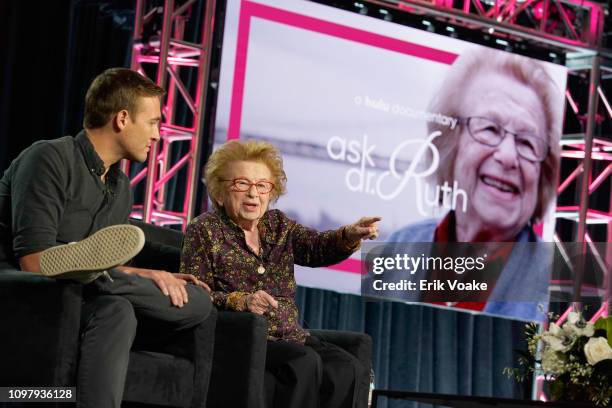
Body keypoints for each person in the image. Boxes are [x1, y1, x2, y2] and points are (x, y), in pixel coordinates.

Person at [0, 68, 213, 407]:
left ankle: (89, 274)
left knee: (163, 306)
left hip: (82, 295)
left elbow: (116, 267)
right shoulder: (49, 158)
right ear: (123, 118)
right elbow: (31, 261)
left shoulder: (121, 188)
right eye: (153, 122)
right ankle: (87, 272)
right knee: (103, 291)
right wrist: (128, 275)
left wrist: (149, 274)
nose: (158, 135)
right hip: (24, 290)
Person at [180, 139, 380, 408]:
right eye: (242, 183)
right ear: (219, 193)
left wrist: (349, 235)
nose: (253, 194)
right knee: (303, 362)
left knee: (348, 368)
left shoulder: (278, 225)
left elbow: (316, 248)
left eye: (262, 186)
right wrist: (241, 301)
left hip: (289, 336)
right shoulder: (204, 230)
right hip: (241, 337)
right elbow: (195, 292)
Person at [388, 48, 562, 321]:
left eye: (527, 142)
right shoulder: (397, 247)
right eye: (490, 129)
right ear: (450, 144)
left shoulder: (561, 284)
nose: (507, 156)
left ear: (544, 172)